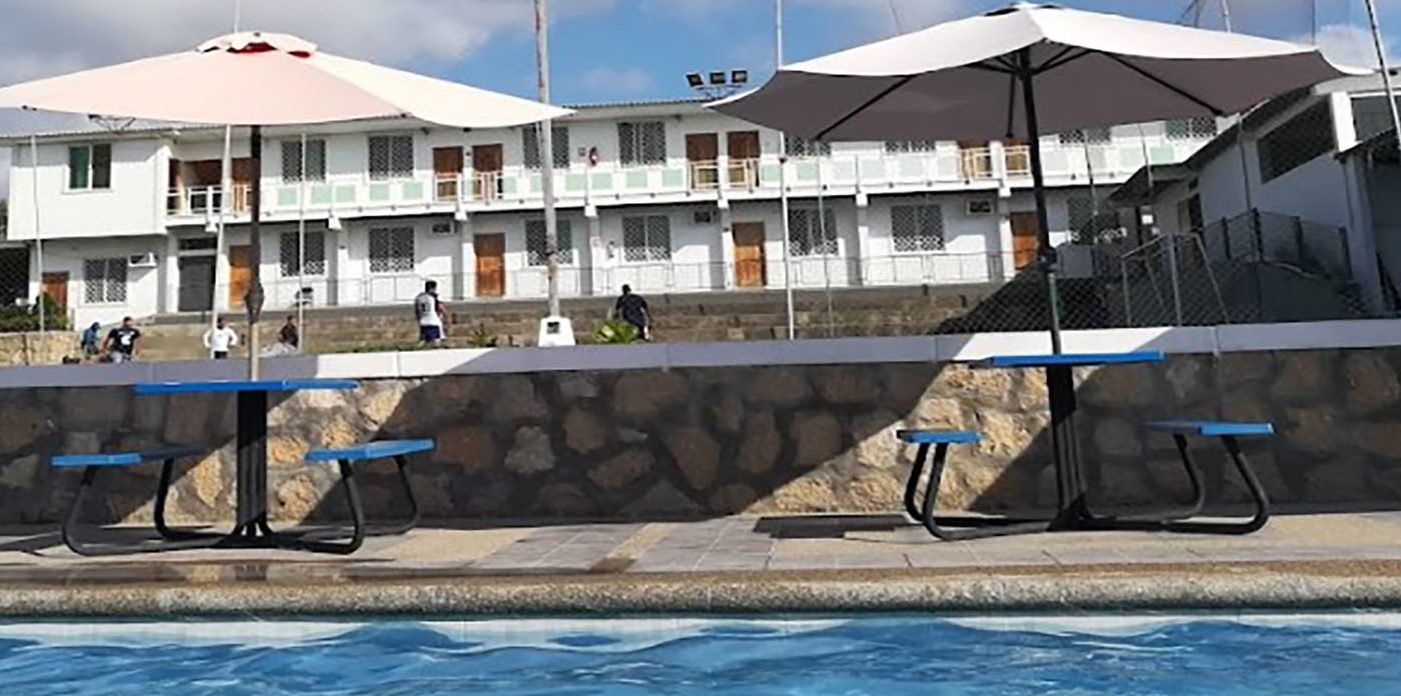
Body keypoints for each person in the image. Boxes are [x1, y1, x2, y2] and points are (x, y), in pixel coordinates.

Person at [413, 280, 448, 346]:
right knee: (436, 343)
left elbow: (417, 311)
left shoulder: (419, 297)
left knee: (424, 343)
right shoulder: (434, 296)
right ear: (433, 288)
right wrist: (447, 317)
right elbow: (441, 308)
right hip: (434, 322)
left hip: (423, 323)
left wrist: (419, 320)